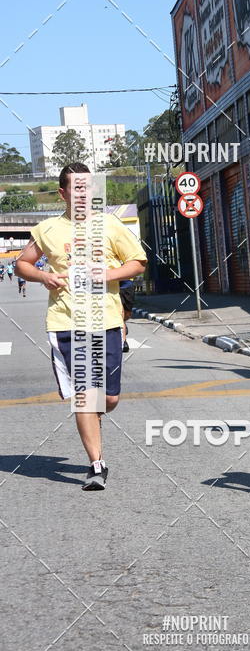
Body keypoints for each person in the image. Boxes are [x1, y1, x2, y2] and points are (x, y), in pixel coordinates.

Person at [15, 163, 147, 491]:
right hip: (65, 322)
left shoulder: (110, 225)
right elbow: (22, 263)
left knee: (109, 399)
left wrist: (108, 274)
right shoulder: (47, 229)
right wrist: (44, 276)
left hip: (107, 321)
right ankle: (97, 464)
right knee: (85, 397)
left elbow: (138, 262)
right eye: (76, 189)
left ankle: (94, 417)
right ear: (62, 193)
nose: (83, 195)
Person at [119, 278, 135, 352]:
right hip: (115, 288)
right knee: (120, 314)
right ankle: (124, 342)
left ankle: (124, 325)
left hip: (128, 286)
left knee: (127, 314)